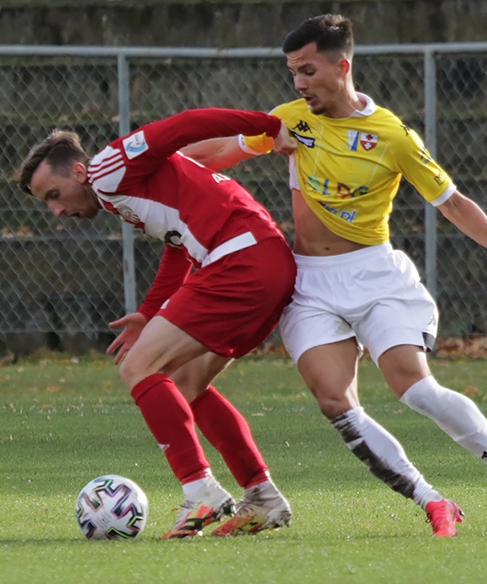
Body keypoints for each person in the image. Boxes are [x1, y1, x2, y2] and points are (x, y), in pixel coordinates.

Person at [182, 14, 487, 537]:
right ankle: (432, 501)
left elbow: (451, 203)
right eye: (292, 72)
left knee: (414, 389)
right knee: (335, 402)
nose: (299, 84)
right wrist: (153, 157)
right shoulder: (288, 120)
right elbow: (219, 153)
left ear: (342, 66)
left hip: (376, 276)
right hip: (311, 282)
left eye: (308, 71)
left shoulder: (392, 135)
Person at [16, 108, 299, 539]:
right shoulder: (125, 193)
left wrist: (269, 125)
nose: (55, 211)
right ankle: (262, 495)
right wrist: (148, 314)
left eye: (54, 194)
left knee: (139, 368)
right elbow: (178, 246)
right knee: (185, 383)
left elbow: (185, 125)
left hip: (240, 258)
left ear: (79, 171)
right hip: (263, 261)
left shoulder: (109, 168)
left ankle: (200, 489)